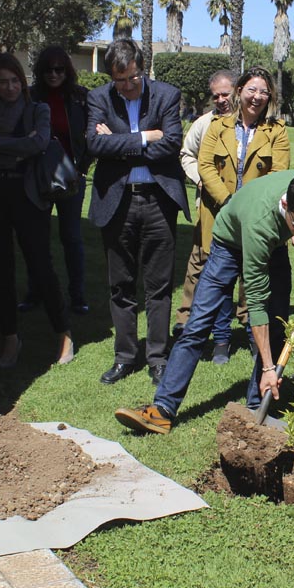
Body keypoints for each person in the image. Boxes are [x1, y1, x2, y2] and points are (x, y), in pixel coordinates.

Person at [114, 170, 294, 434]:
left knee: (278, 324)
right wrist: (268, 367)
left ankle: (257, 408)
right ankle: (162, 410)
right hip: (228, 245)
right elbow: (255, 304)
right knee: (197, 325)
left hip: (273, 246)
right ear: (286, 204)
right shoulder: (260, 224)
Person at [86, 40, 189, 387]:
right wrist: (145, 136)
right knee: (121, 284)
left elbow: (172, 144)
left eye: (132, 79)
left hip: (158, 200)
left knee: (159, 286)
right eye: (120, 81)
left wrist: (119, 142)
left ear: (142, 69)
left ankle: (157, 357)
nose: (127, 87)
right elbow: (94, 144)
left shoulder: (166, 95)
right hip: (118, 203)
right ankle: (125, 356)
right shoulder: (99, 98)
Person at [0, 53, 75, 369]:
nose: (10, 87)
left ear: (22, 82)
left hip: (29, 196)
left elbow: (39, 144)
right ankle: (10, 338)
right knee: (1, 270)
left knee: (40, 266)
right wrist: (14, 145)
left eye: (15, 81)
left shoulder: (37, 109)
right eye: (3, 82)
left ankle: (63, 334)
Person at [195, 67, 291, 359]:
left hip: (258, 223)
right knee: (222, 282)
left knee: (256, 283)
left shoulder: (278, 130)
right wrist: (229, 203)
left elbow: (279, 173)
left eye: (264, 92)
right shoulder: (218, 126)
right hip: (221, 216)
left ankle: (254, 337)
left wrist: (249, 207)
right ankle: (221, 339)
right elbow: (205, 166)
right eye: (252, 90)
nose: (257, 97)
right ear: (239, 91)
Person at [19, 47, 92, 315]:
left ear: (67, 71)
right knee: (37, 237)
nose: (53, 74)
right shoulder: (31, 96)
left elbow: (91, 136)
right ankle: (36, 291)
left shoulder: (79, 98)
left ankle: (77, 296)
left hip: (71, 176)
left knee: (71, 237)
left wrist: (82, 167)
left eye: (59, 69)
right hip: (38, 176)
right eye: (48, 69)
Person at [173, 70, 240, 358]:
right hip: (209, 204)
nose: (222, 100)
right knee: (200, 260)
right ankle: (185, 320)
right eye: (216, 96)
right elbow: (186, 154)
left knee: (245, 264)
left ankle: (247, 321)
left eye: (226, 94)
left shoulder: (249, 120)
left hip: (242, 204)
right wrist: (199, 178)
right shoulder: (203, 123)